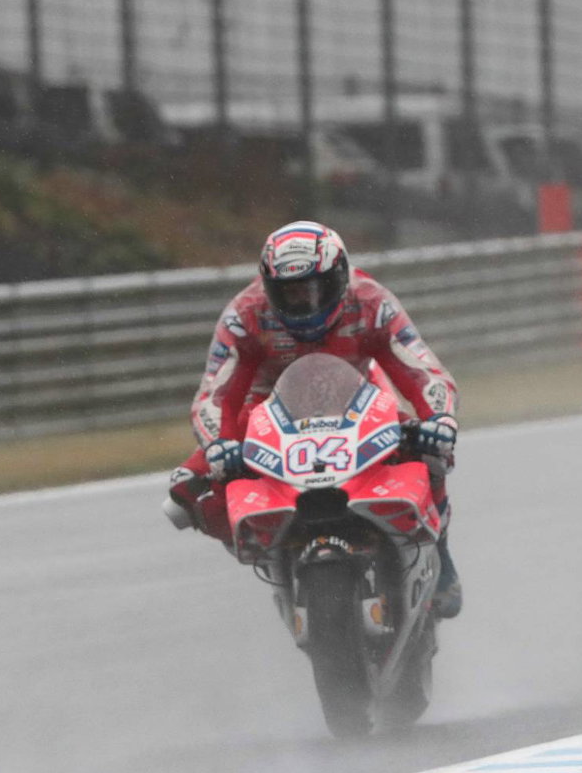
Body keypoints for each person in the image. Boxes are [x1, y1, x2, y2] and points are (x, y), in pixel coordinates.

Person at [166, 221, 464, 617]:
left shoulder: (372, 302)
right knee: (183, 494)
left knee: (432, 451)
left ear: (339, 277)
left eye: (315, 288)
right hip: (266, 406)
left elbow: (422, 368)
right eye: (290, 293)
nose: (304, 302)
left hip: (358, 397)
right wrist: (218, 445)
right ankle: (269, 549)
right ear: (269, 288)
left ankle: (440, 553)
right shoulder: (245, 315)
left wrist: (439, 419)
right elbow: (215, 392)